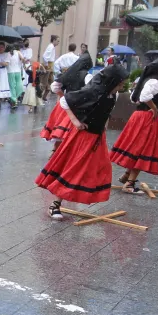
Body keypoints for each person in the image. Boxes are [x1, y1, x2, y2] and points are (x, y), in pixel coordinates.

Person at [37, 64, 129, 220]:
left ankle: (78, 194)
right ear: (112, 82)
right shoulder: (93, 92)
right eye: (120, 83)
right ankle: (55, 205)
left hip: (97, 137)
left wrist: (102, 130)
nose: (122, 86)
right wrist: (75, 122)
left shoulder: (113, 95)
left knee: (100, 168)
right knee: (73, 168)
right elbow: (65, 101)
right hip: (83, 137)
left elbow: (105, 115)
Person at [111, 57, 158, 193]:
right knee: (142, 150)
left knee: (137, 148)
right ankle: (129, 184)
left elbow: (134, 98)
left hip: (139, 116)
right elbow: (144, 97)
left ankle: (127, 176)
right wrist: (154, 108)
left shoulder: (146, 80)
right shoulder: (154, 81)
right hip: (146, 118)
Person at [40, 53, 93, 145]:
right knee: (70, 134)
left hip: (64, 106)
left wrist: (62, 96)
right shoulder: (87, 76)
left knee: (60, 133)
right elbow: (90, 92)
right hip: (76, 108)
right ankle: (64, 154)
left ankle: (56, 152)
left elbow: (54, 86)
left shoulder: (68, 73)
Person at [5, 43, 24, 109]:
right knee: (19, 86)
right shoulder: (18, 52)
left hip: (10, 72)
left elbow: (6, 63)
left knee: (12, 86)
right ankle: (15, 99)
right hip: (17, 71)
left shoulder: (8, 54)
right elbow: (23, 59)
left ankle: (14, 100)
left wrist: (1, 63)